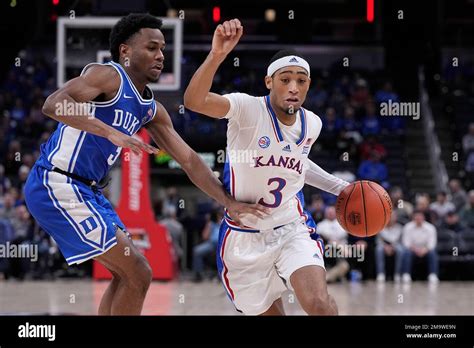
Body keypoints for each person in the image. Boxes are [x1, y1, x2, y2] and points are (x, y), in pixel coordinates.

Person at [23, 14, 265, 316]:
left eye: (162, 49)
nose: (161, 55)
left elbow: (189, 160)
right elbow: (53, 104)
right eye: (151, 47)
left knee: (129, 274)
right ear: (125, 51)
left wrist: (228, 201)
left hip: (89, 192)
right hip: (57, 182)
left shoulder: (152, 110)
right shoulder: (106, 75)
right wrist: (111, 132)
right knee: (139, 271)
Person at [184, 18, 351, 315]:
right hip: (244, 236)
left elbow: (297, 165)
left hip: (291, 226)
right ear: (269, 82)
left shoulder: (312, 123)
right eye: (285, 79)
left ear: (308, 85)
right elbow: (194, 101)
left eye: (301, 80)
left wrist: (341, 189)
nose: (293, 87)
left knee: (320, 305)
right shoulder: (246, 108)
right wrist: (217, 55)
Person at [401, 211, 439, 283]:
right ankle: (406, 274)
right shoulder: (407, 227)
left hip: (426, 250)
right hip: (412, 250)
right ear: (413, 218)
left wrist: (425, 250)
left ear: (423, 218)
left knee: (433, 253)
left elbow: (432, 244)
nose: (418, 218)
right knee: (406, 252)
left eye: (420, 217)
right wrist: (415, 250)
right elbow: (406, 243)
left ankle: (433, 275)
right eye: (416, 217)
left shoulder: (430, 228)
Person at [192, 210, 222, 282]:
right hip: (211, 244)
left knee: (225, 253)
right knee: (196, 251)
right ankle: (198, 274)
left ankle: (221, 275)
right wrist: (208, 224)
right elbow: (205, 236)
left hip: (222, 244)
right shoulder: (211, 224)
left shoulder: (225, 222)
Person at [375, 211, 404, 282]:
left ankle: (397, 273)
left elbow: (400, 241)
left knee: (400, 250)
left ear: (396, 218)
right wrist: (385, 246)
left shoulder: (399, 228)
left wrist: (392, 247)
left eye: (392, 216)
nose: (390, 218)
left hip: (396, 246)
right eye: (389, 217)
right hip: (383, 246)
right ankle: (380, 273)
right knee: (379, 249)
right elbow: (378, 241)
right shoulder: (380, 227)